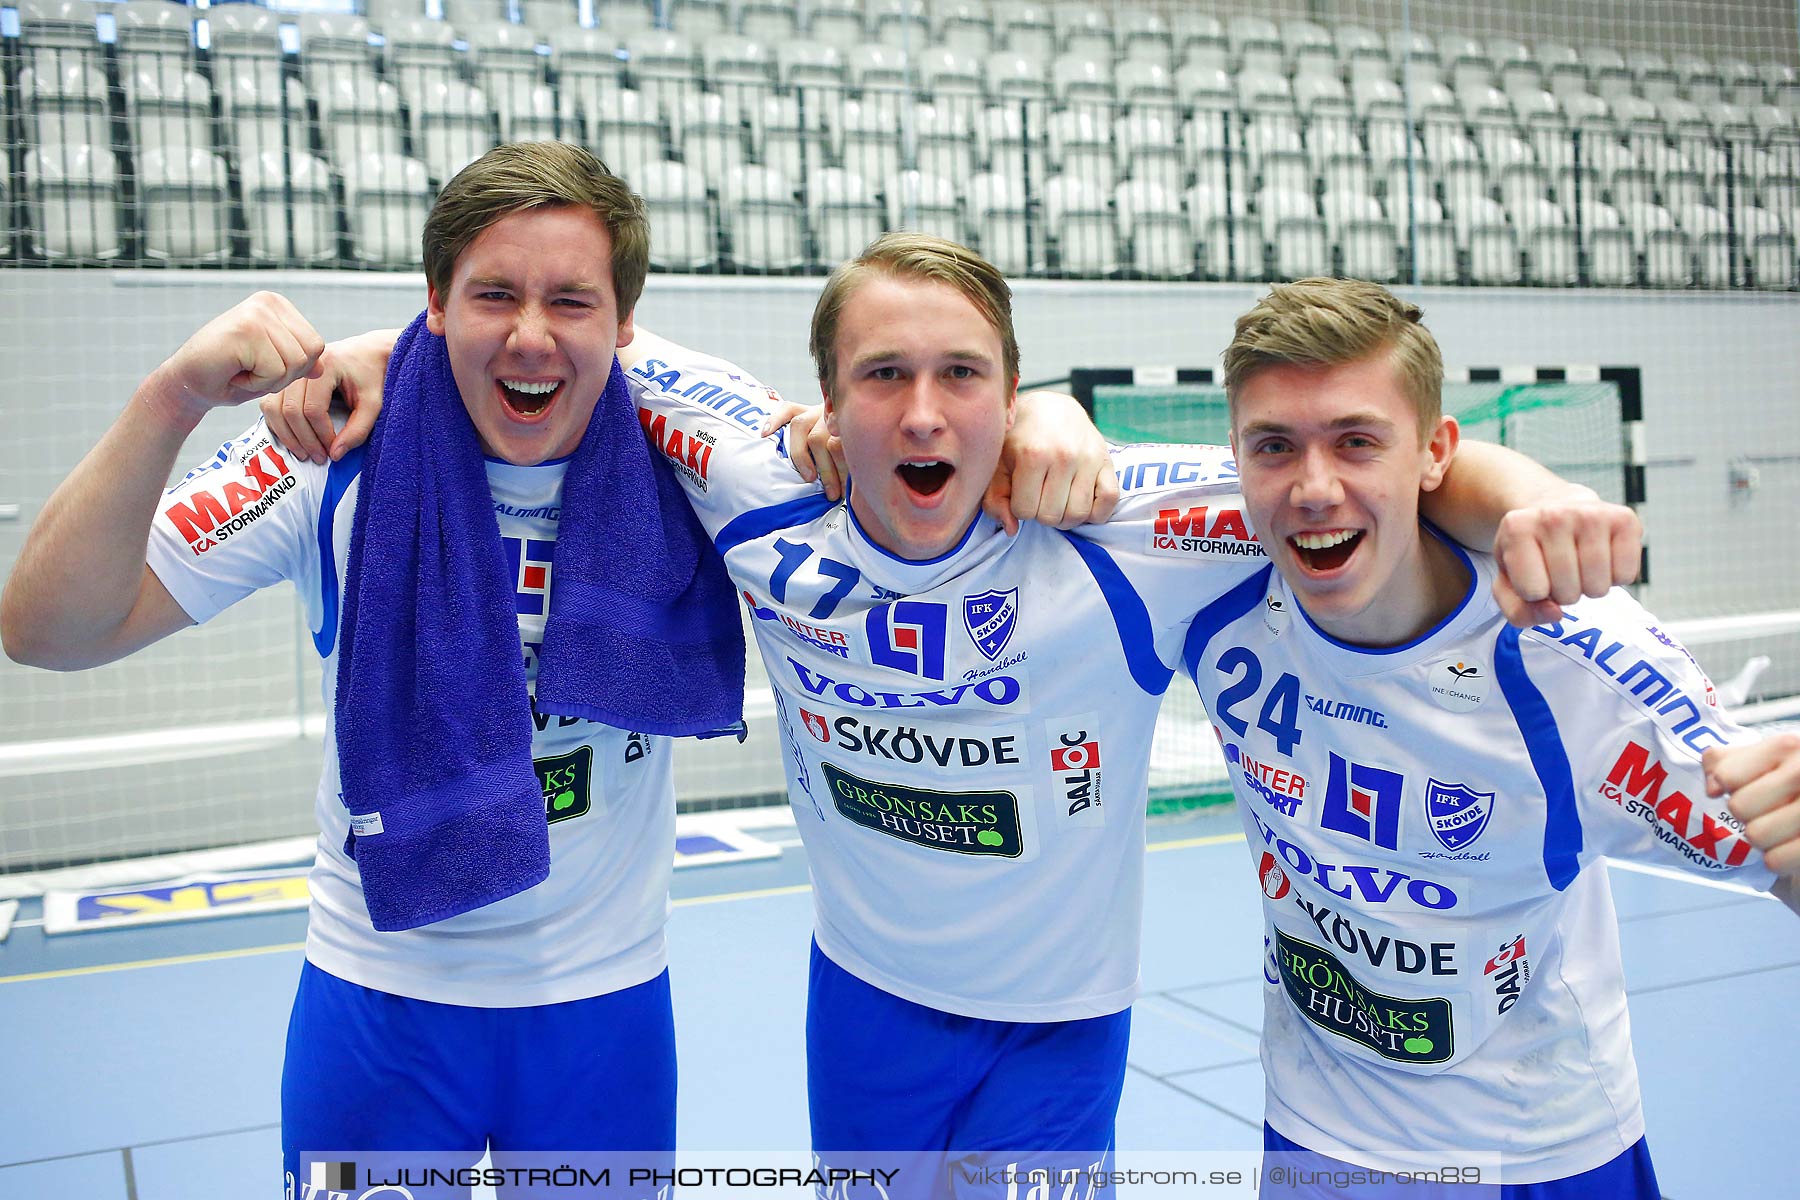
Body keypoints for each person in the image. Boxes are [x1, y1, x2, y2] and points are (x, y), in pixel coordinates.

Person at [286, 230, 1652, 1197]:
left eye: (965, 378)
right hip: (862, 1007)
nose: (922, 412)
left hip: (1054, 1031)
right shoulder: (760, 482)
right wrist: (376, 350)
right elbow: (561, 329)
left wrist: (1521, 499)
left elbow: (1348, 474)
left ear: (1014, 397)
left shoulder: (1115, 525)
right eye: (883, 376)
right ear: (825, 405)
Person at [0, 142, 751, 1197]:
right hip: (378, 998)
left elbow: (877, 454)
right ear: (434, 305)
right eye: (493, 294)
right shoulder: (333, 451)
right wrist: (171, 396)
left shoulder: (688, 456)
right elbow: (48, 630)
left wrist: (1039, 417)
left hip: (604, 1006)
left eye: (571, 301)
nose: (532, 336)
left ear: (625, 327)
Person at [1182, 277, 1800, 1196]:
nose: (1313, 488)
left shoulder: (1576, 673)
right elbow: (1034, 461)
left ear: (1435, 453)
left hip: (1536, 1150)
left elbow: (1777, 857)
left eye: (1358, 441)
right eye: (1275, 446)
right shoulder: (1207, 568)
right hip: (1315, 1133)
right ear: (1235, 455)